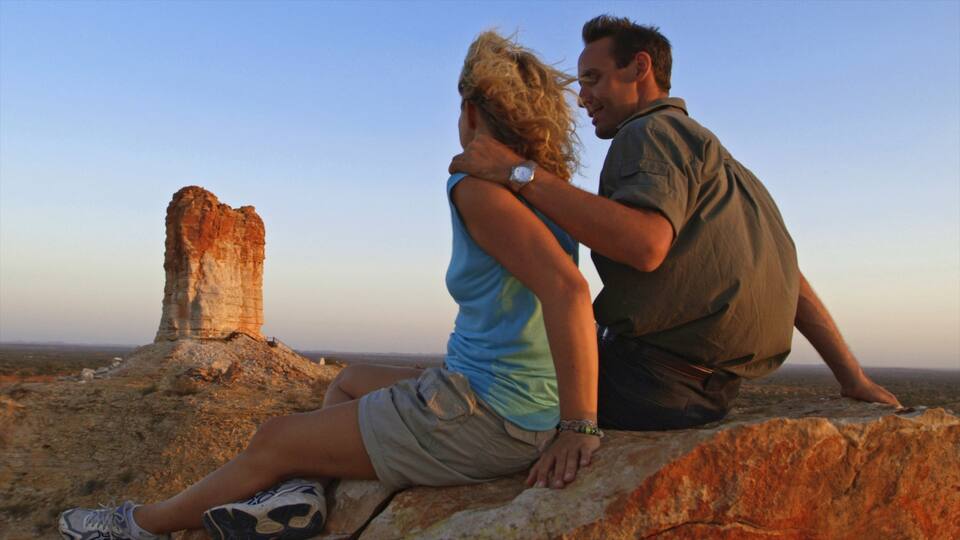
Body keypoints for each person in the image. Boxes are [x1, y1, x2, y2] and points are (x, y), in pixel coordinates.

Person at [58, 31, 600, 540]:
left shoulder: (476, 188)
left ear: (471, 112)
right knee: (346, 381)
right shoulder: (540, 187)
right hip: (496, 392)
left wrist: (580, 426)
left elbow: (569, 292)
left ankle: (137, 524)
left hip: (491, 415)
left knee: (274, 439)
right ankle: (305, 495)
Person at [450, 15, 900, 433]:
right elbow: (789, 281)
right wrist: (852, 377)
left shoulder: (648, 134)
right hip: (707, 394)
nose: (583, 97)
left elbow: (645, 246)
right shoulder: (720, 162)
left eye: (594, 79)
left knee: (488, 388)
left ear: (639, 67)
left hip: (647, 386)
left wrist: (518, 172)